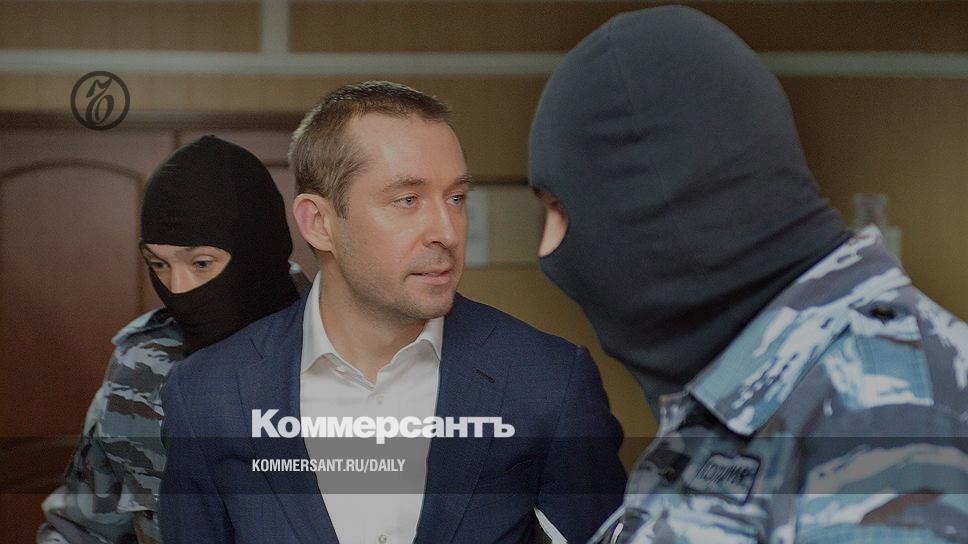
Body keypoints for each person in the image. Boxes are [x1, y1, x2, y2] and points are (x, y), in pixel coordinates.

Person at [528, 7, 968, 544]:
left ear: (664, 203)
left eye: (559, 209)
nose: (547, 250)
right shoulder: (763, 401)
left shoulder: (883, 417)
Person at [159, 81, 626, 544]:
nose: (447, 232)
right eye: (408, 200)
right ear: (319, 223)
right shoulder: (208, 396)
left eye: (456, 198)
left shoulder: (550, 382)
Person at [38, 136, 309, 544]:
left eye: (201, 263)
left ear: (257, 250)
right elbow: (81, 528)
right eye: (158, 264)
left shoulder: (340, 349)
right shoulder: (138, 362)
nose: (178, 289)